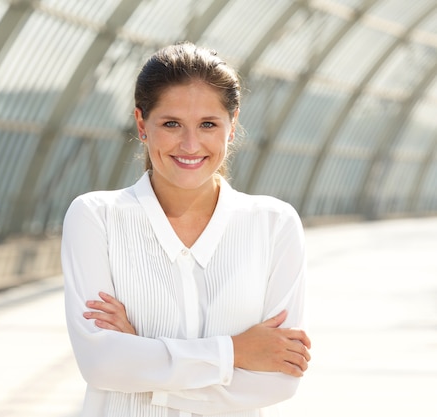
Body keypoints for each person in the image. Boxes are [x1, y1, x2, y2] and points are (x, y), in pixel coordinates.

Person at [61, 42, 311, 417]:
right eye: (171, 124)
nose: (190, 144)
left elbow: (279, 378)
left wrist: (143, 362)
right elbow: (101, 365)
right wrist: (237, 351)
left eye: (208, 124)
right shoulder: (97, 218)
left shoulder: (275, 225)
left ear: (232, 126)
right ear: (142, 125)